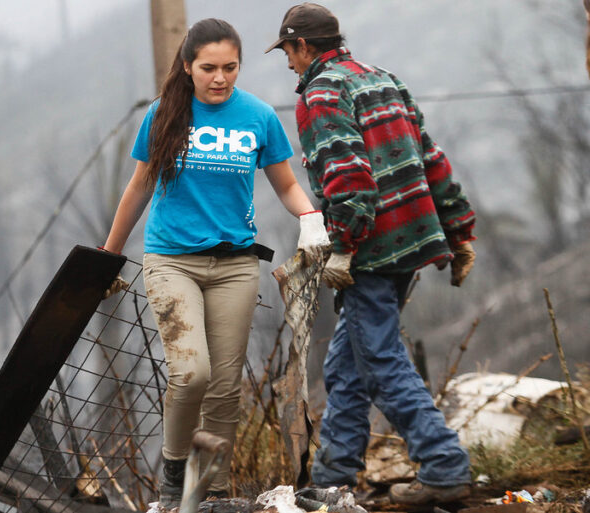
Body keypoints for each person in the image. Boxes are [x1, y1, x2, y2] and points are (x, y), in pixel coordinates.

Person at [102, 18, 330, 507]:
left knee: (225, 387)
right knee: (192, 374)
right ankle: (174, 471)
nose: (220, 78)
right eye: (208, 68)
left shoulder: (258, 116)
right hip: (171, 261)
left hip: (235, 266)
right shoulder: (164, 115)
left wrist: (311, 217)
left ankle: (212, 491)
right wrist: (109, 253)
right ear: (187, 67)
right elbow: (139, 186)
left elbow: (286, 184)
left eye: (230, 68)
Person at [266, 3, 477, 505]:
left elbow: (349, 180)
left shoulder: (320, 93)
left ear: (303, 47)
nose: (289, 64)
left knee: (381, 361)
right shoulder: (383, 79)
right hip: (413, 241)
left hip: (372, 249)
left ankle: (445, 466)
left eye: (289, 53)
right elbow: (430, 156)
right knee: (346, 365)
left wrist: (342, 249)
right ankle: (333, 478)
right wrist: (459, 229)